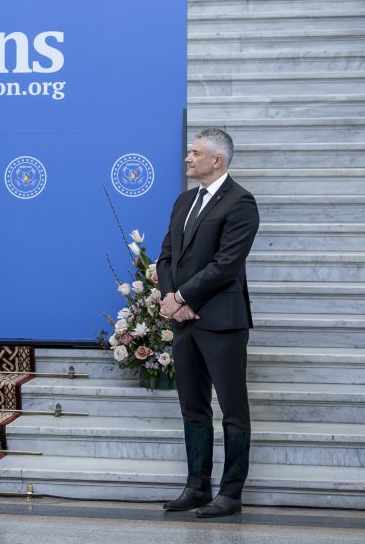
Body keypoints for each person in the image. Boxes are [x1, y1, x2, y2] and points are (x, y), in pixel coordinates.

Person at [156, 128, 259, 518]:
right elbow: (167, 256)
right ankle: (196, 486)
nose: (188, 158)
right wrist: (171, 298)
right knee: (193, 408)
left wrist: (183, 298)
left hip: (222, 322)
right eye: (190, 152)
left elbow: (226, 264)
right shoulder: (184, 201)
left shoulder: (241, 202)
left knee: (233, 409)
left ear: (217, 160)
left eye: (195, 153)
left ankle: (230, 493)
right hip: (185, 322)